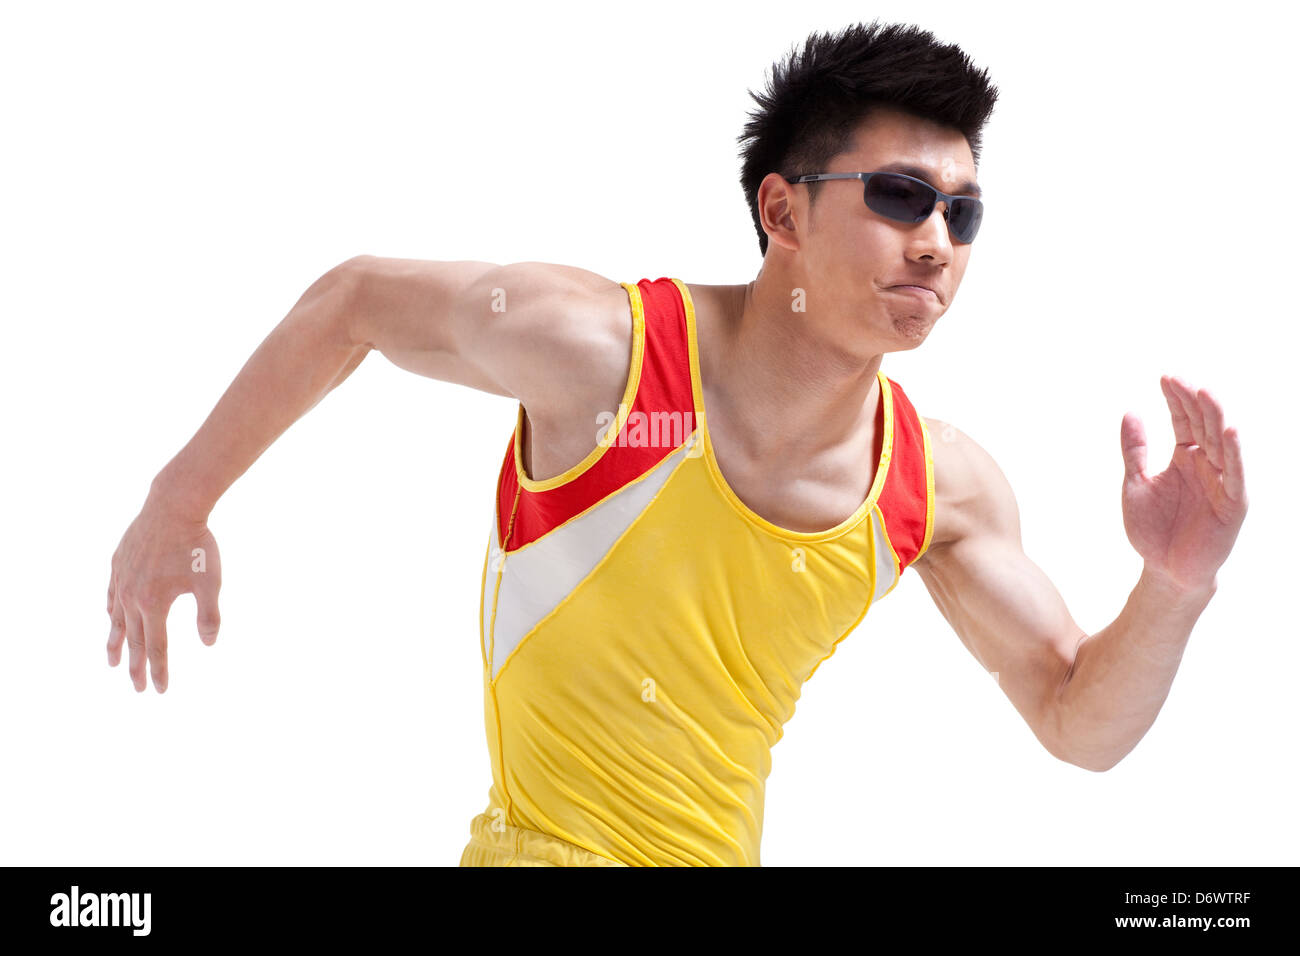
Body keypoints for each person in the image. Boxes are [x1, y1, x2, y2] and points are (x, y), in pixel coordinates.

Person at [104, 21, 1247, 866]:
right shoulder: (601, 352)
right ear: (782, 214)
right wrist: (180, 499)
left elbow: (1073, 717)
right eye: (900, 196)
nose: (938, 240)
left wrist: (1172, 584)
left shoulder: (936, 483)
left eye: (963, 211)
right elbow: (353, 298)